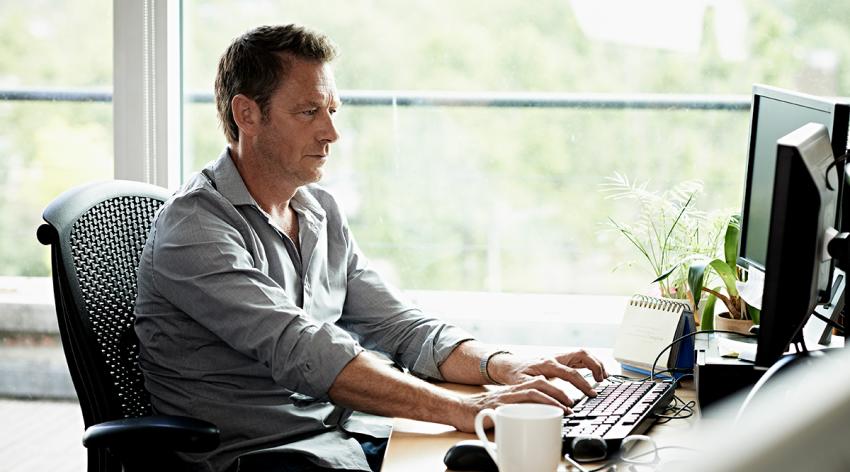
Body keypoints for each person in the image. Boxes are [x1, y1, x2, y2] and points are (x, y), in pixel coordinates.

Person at [134, 24, 608, 472]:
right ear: (247, 115)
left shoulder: (318, 210)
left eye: (332, 111)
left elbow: (400, 326)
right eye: (308, 112)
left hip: (346, 432)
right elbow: (301, 348)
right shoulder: (195, 228)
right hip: (264, 456)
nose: (331, 133)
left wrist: (505, 366)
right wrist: (469, 408)